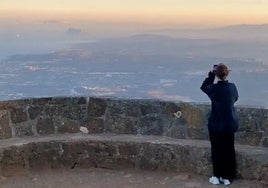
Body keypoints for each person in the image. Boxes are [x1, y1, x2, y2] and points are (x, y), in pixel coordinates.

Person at [200, 63, 239, 186]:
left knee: (217, 150)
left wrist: (211, 74)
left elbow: (204, 86)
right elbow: (235, 98)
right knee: (228, 150)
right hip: (229, 124)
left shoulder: (214, 89)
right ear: (227, 74)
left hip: (216, 125)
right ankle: (227, 177)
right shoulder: (232, 88)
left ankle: (216, 176)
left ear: (217, 75)